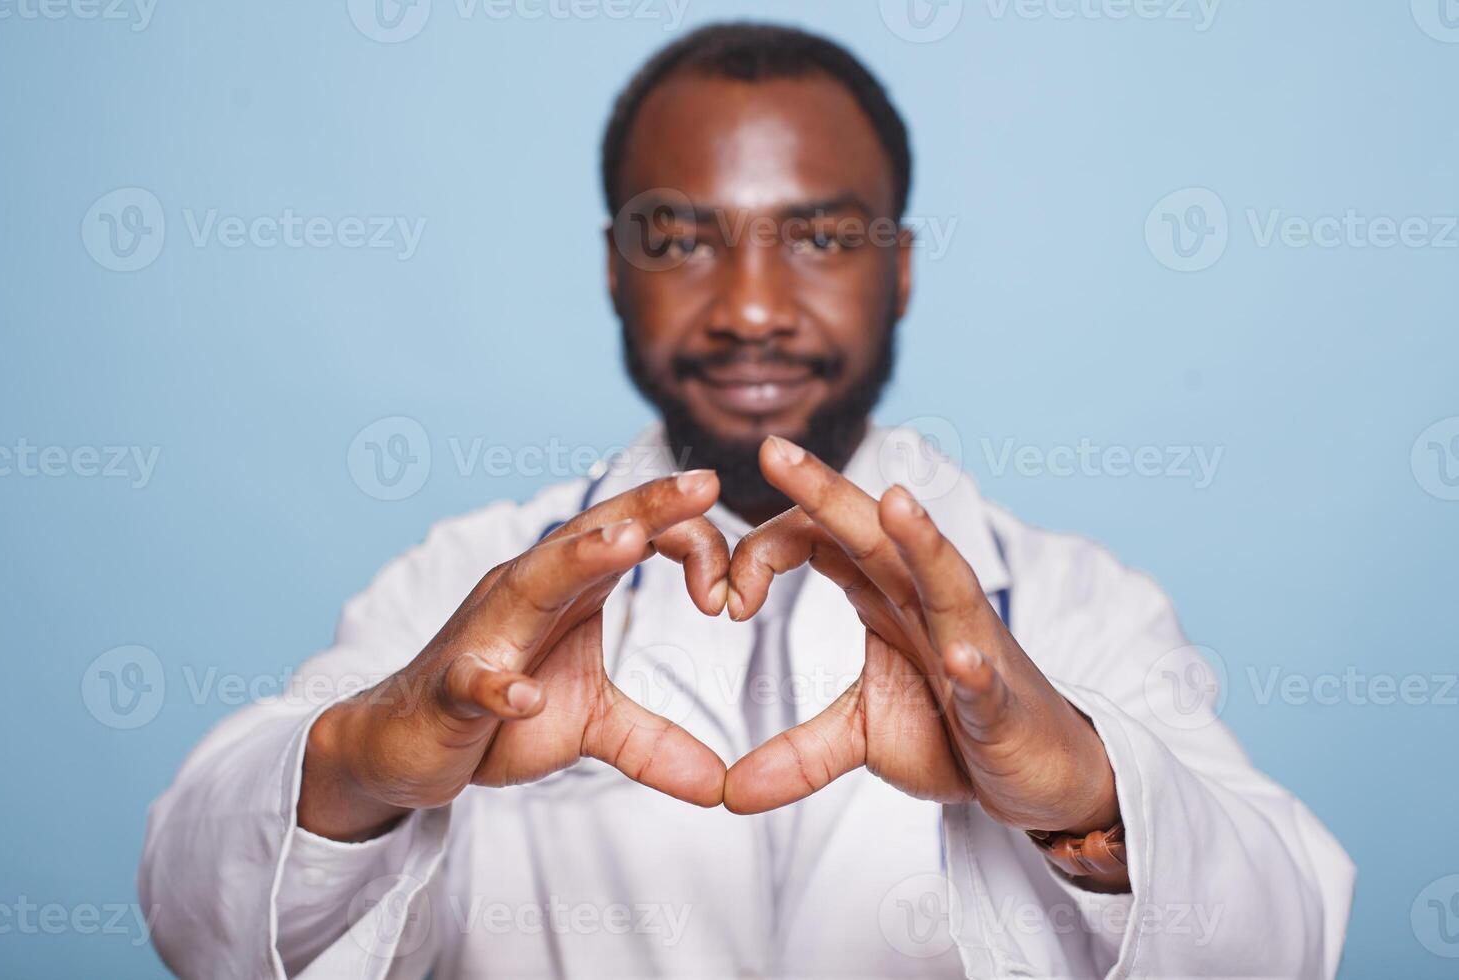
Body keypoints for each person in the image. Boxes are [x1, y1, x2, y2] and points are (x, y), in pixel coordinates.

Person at [139, 22, 1353, 979]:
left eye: (818, 236)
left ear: (902, 266)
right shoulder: (460, 586)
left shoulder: (1073, 604)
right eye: (682, 239)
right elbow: (200, 919)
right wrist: (366, 759)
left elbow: (1284, 940)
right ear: (614, 268)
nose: (753, 306)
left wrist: (1083, 796)